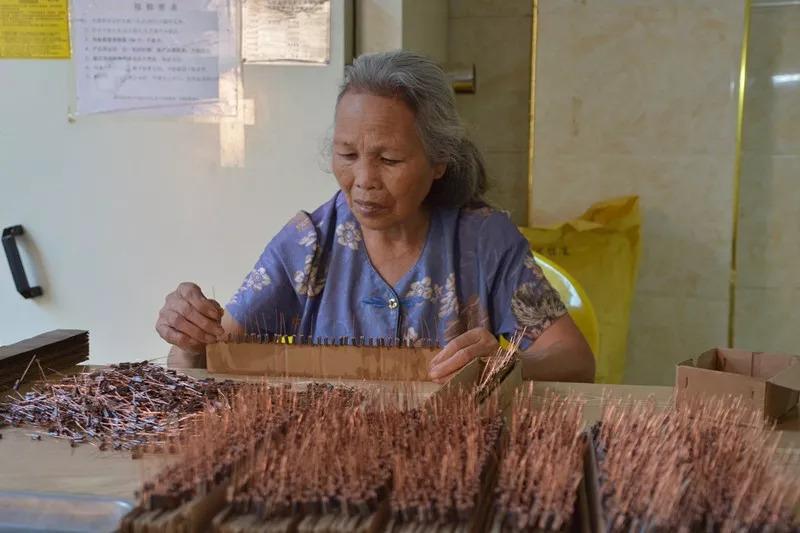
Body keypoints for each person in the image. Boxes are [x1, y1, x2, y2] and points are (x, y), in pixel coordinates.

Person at [156, 50, 595, 383]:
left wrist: (508, 365)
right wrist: (191, 340)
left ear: (438, 161)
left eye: (389, 159)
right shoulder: (307, 244)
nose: (363, 180)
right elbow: (212, 359)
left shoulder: (483, 241)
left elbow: (575, 360)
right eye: (347, 154)